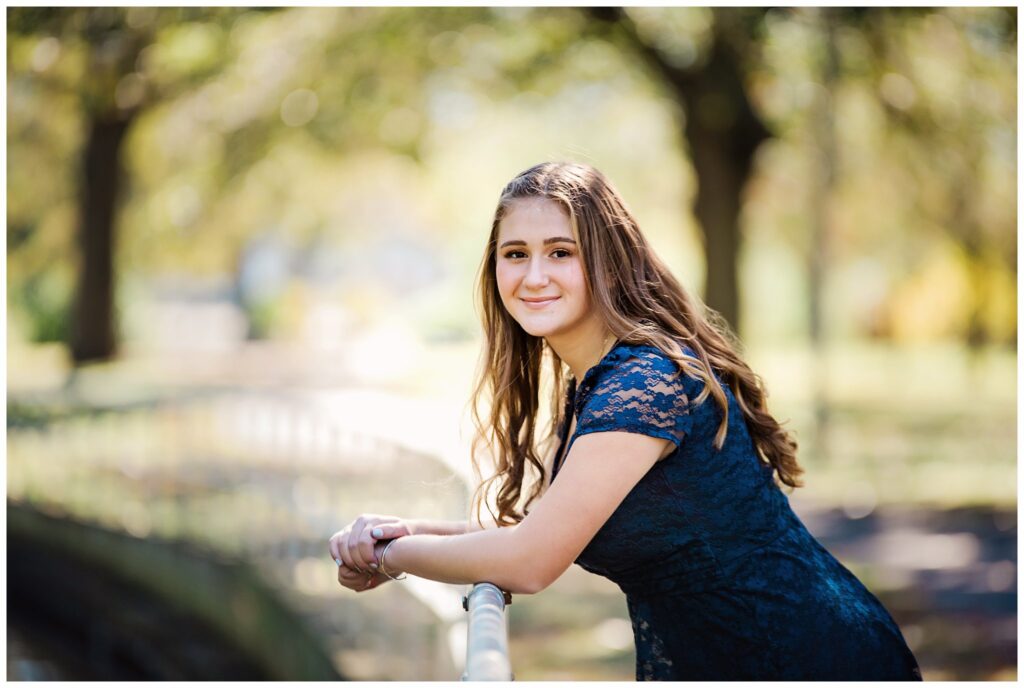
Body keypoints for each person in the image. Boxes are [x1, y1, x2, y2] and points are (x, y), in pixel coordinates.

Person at [328, 162, 922, 681]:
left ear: (607, 262)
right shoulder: (595, 383)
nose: (534, 276)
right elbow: (541, 530)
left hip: (806, 660)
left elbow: (530, 562)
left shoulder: (644, 384)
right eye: (516, 254)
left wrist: (387, 559)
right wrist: (401, 535)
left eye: (561, 252)